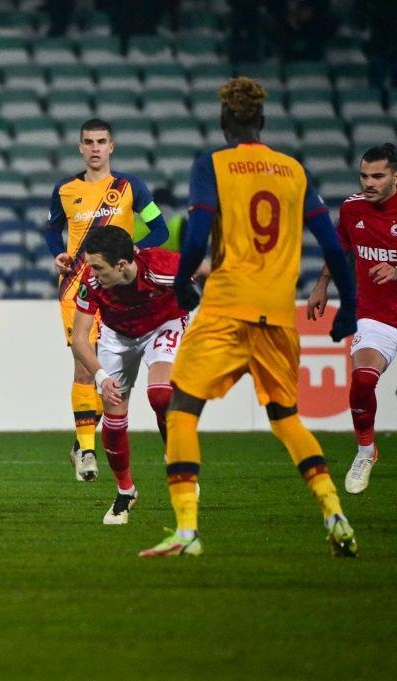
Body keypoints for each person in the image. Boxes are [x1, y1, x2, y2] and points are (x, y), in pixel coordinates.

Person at [141, 77, 359, 558]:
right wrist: (351, 307)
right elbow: (332, 244)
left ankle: (186, 530)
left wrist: (181, 284)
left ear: (224, 123)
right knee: (286, 419)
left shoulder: (212, 165)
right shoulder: (294, 171)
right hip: (279, 314)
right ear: (261, 122)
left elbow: (196, 232)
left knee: (181, 411)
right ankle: (334, 512)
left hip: (225, 306)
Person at [43, 118, 169, 484]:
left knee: (110, 375)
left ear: (111, 146)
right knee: (85, 366)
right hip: (76, 286)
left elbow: (158, 227)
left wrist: (135, 252)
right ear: (80, 147)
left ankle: (80, 439)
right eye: (88, 142)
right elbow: (52, 228)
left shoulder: (130, 187)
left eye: (101, 141)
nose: (95, 147)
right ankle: (86, 450)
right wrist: (58, 253)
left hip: (119, 288)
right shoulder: (65, 189)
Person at [71, 227, 202, 524]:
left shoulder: (163, 267)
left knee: (161, 395)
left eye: (98, 266)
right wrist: (102, 377)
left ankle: (177, 458)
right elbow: (80, 339)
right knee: (114, 419)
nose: (92, 272)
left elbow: (200, 272)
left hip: (163, 325)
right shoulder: (91, 280)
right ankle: (125, 491)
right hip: (117, 336)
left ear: (121, 265)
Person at [307, 143, 397, 494]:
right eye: (364, 176)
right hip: (377, 316)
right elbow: (339, 246)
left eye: (378, 176)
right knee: (362, 380)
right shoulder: (352, 208)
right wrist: (322, 284)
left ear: (395, 176)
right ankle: (365, 451)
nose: (369, 182)